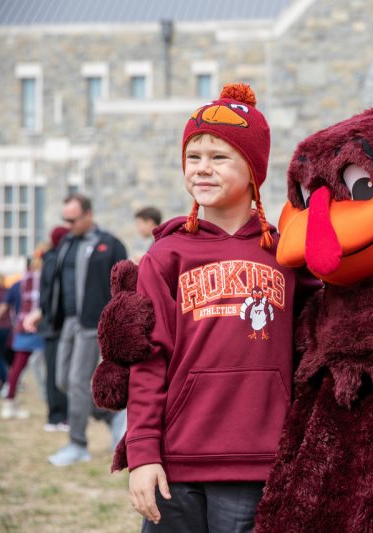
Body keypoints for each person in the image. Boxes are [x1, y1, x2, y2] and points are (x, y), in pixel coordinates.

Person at [125, 83, 316, 531]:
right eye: (194, 157)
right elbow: (149, 360)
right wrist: (143, 453)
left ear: (253, 169)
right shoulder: (167, 255)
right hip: (176, 461)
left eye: (219, 157)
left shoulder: (287, 251)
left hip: (260, 458)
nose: (202, 169)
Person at [46, 193, 128, 466]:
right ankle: (111, 415)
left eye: (73, 219)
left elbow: (123, 285)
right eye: (65, 219)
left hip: (92, 323)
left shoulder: (109, 244)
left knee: (79, 383)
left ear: (88, 214)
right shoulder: (66, 244)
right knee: (63, 381)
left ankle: (77, 445)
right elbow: (54, 282)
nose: (68, 225)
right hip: (67, 321)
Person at [0, 249, 48, 419]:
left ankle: (9, 402)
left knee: (17, 368)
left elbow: (3, 306)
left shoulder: (18, 283)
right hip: (44, 328)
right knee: (51, 368)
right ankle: (54, 406)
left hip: (22, 329)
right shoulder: (46, 281)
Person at [24, 226, 71, 431]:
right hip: (55, 325)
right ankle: (57, 416)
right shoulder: (55, 260)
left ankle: (58, 415)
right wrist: (46, 314)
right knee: (56, 371)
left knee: (57, 371)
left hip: (53, 324)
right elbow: (50, 294)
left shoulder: (51, 258)